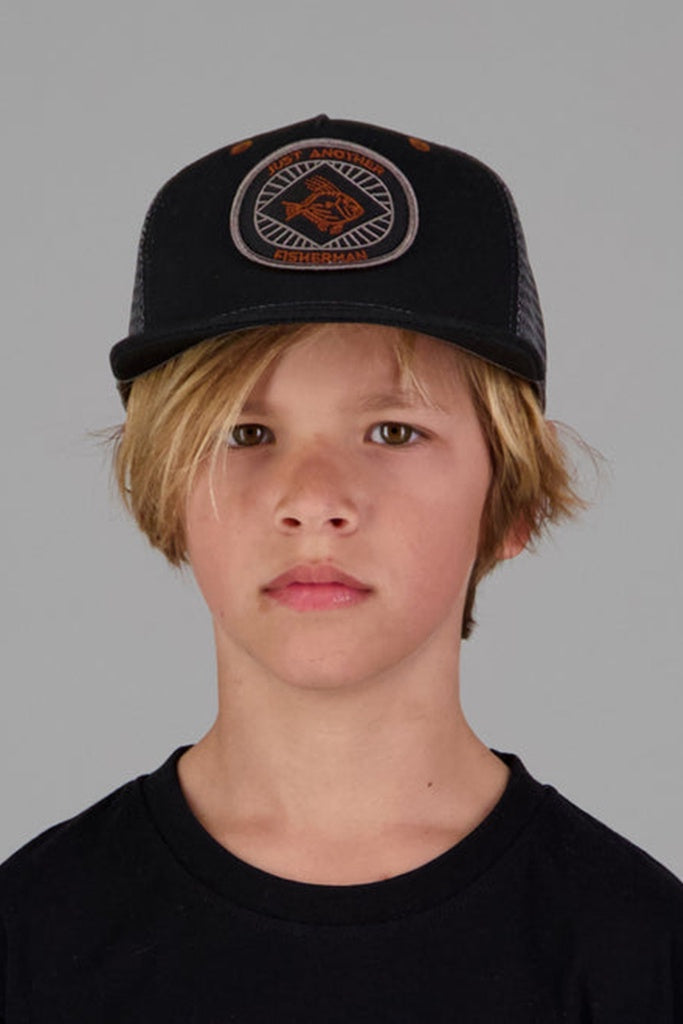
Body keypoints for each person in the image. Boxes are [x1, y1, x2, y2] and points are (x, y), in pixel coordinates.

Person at [1, 113, 681, 1022]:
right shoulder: (32, 939)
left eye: (393, 431)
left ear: (510, 500)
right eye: (245, 433)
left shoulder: (639, 954)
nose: (314, 500)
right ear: (167, 493)